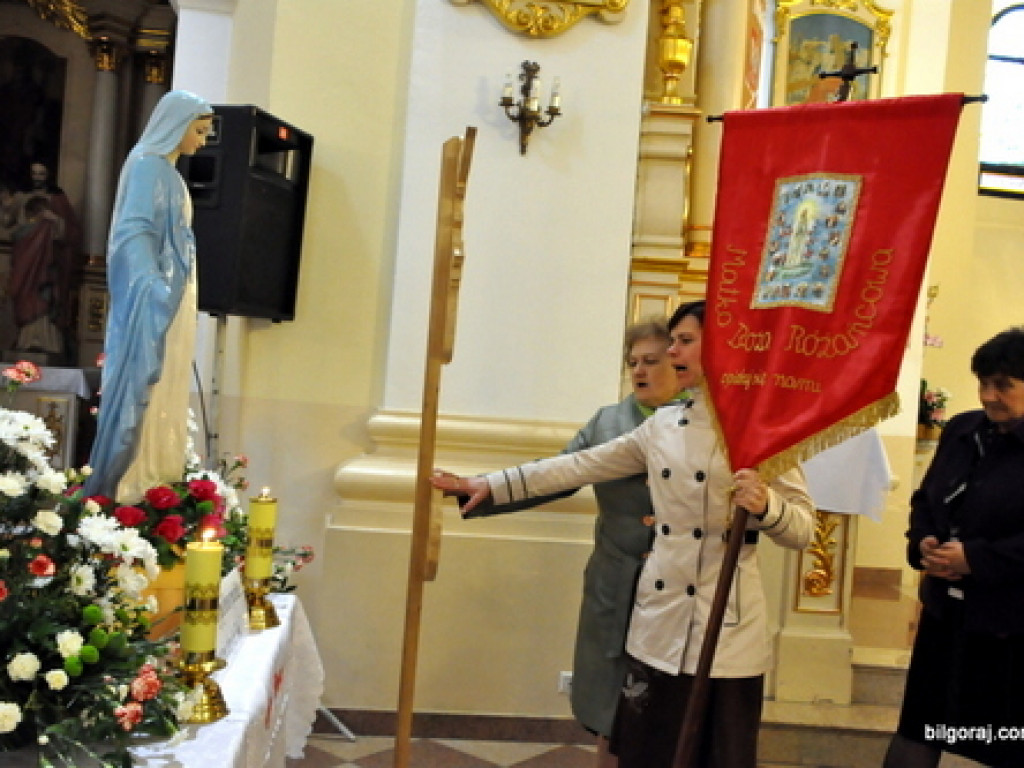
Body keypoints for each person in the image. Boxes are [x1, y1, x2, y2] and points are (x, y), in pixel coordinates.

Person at [432, 300, 815, 768]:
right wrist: (487, 485)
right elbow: (575, 466)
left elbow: (802, 530)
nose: (673, 350)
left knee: (718, 756)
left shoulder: (762, 431)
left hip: (728, 630)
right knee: (645, 753)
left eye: (685, 341)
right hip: (658, 622)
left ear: (723, 349)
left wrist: (767, 506)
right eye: (671, 341)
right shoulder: (661, 428)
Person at [462, 319, 684, 767]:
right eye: (633, 363)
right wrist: (486, 491)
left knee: (667, 704)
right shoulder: (608, 422)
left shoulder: (702, 424)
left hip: (678, 587)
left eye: (651, 361)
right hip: (615, 581)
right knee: (609, 703)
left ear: (679, 362)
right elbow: (558, 474)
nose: (639, 371)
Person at [884, 327, 1024, 768]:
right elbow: (927, 499)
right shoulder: (963, 430)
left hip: (1008, 624)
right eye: (983, 383)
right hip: (947, 617)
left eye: (1003, 385)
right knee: (922, 727)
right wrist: (924, 545)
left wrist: (975, 559)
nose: (988, 396)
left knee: (1002, 738)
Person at [84, 90, 213, 501]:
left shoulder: (171, 174)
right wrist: (152, 286)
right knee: (149, 382)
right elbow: (133, 232)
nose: (204, 140)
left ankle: (160, 476)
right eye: (199, 130)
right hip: (157, 295)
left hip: (176, 295)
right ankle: (136, 482)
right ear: (175, 125)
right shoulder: (146, 167)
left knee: (170, 383)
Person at [8, 194, 64, 353]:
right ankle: (29, 341)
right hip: (34, 278)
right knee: (37, 302)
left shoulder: (40, 229)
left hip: (36, 278)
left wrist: (54, 221)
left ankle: (38, 341)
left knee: (40, 305)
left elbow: (61, 238)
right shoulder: (31, 231)